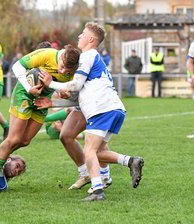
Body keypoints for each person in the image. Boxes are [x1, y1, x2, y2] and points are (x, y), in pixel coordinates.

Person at [38, 22, 144, 201]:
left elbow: (76, 85)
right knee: (97, 151)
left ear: (91, 39)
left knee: (89, 151)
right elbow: (79, 94)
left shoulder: (88, 56)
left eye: (82, 34)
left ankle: (97, 191)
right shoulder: (91, 58)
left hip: (101, 109)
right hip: (114, 109)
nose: (79, 36)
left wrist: (51, 84)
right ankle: (130, 161)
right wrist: (53, 102)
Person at [0, 44, 81, 195]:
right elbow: (17, 66)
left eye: (67, 71)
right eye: (62, 66)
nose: (62, 71)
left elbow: (70, 93)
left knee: (25, 141)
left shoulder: (75, 70)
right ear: (61, 56)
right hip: (24, 94)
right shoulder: (47, 54)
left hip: (43, 101)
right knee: (14, 138)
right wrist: (28, 87)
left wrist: (64, 94)